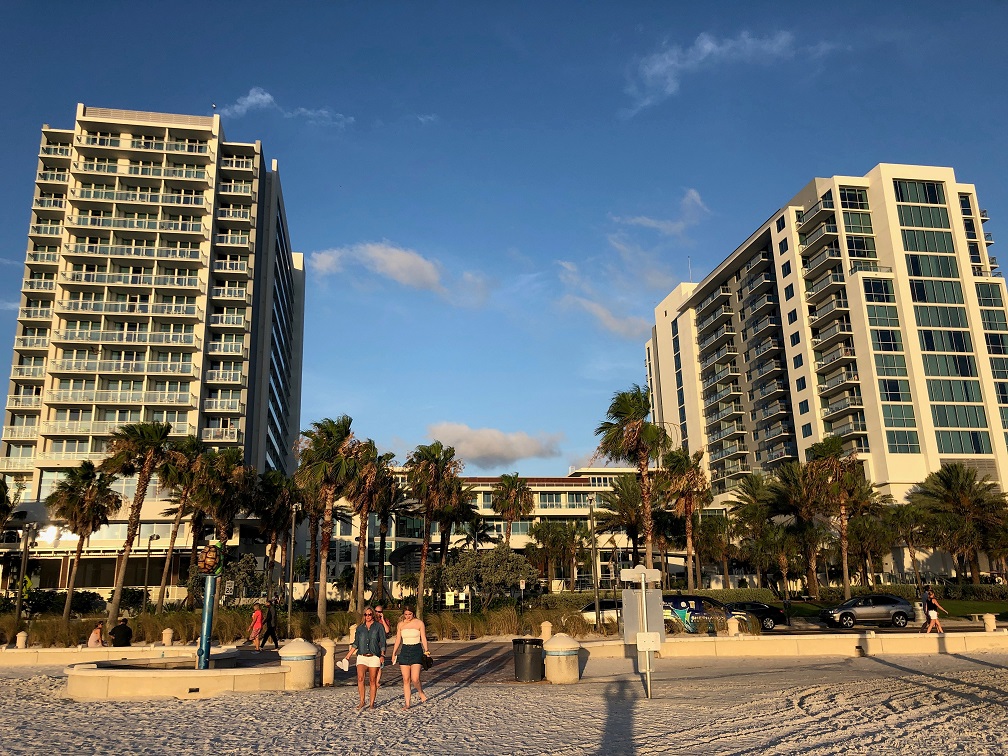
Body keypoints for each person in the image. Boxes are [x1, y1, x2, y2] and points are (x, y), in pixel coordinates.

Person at [342, 606, 387, 710]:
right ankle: (362, 701)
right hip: (362, 656)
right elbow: (356, 643)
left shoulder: (378, 627)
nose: (368, 616)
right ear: (363, 616)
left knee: (372, 680)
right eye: (366, 614)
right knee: (360, 678)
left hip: (374, 656)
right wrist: (348, 656)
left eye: (370, 614)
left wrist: (382, 655)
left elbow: (383, 642)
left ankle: (372, 703)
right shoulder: (360, 628)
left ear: (373, 615)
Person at [391, 604, 430, 709]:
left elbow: (423, 638)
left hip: (416, 650)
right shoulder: (400, 625)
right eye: (406, 614)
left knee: (415, 678)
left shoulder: (419, 623)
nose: (408, 616)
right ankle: (407, 703)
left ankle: (420, 692)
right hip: (405, 650)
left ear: (413, 613)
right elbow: (398, 640)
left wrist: (426, 650)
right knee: (406, 679)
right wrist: (394, 652)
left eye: (410, 614)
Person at [374, 604, 391, 687]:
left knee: (379, 664)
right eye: (376, 611)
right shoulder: (371, 620)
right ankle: (373, 680)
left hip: (381, 644)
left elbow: (387, 631)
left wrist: (383, 619)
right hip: (373, 644)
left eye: (379, 612)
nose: (377, 613)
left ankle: (377, 682)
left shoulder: (384, 621)